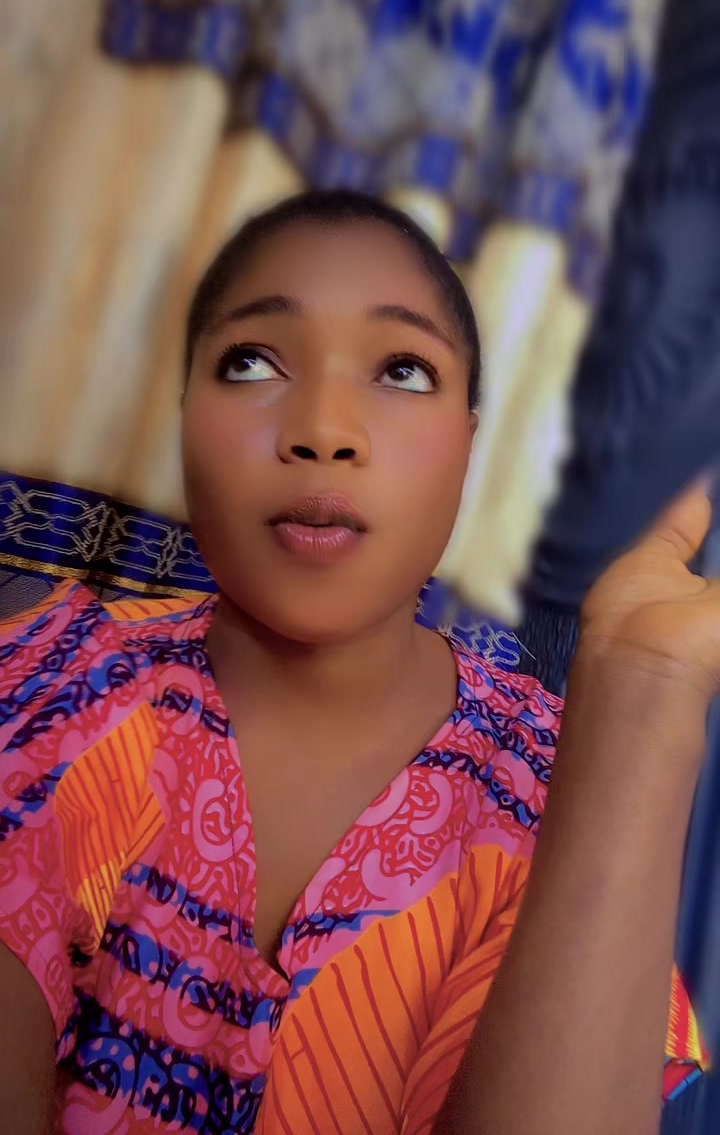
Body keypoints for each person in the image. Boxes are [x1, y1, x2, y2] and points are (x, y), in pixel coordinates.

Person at [0, 190, 712, 1135]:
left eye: (403, 370)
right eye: (252, 362)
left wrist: (646, 701)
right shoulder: (54, 675)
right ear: (184, 417)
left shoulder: (554, 784)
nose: (324, 430)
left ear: (468, 442)